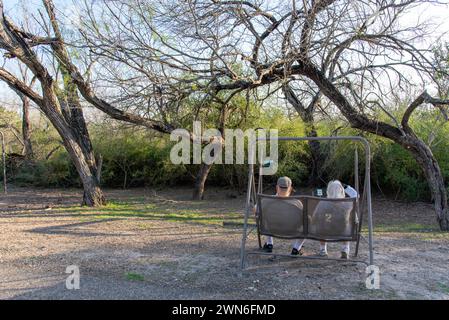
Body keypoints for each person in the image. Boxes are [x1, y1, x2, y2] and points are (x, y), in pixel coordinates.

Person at [257, 176, 306, 256]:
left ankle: (269, 244)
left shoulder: (266, 200)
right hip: (292, 231)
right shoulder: (297, 203)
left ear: (277, 187)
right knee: (306, 225)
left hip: (271, 229)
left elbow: (256, 211)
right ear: (290, 189)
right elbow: (305, 218)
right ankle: (296, 248)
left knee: (265, 219)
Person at [315, 180, 358, 259]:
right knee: (347, 225)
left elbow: (316, 216)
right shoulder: (348, 202)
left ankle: (323, 249)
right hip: (343, 231)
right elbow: (356, 195)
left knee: (320, 224)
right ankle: (345, 248)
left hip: (327, 230)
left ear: (328, 190)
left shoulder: (323, 202)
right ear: (341, 190)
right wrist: (346, 187)